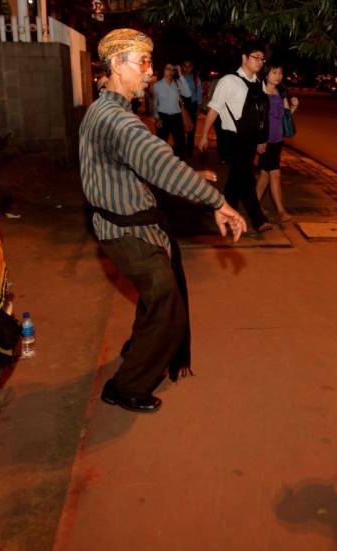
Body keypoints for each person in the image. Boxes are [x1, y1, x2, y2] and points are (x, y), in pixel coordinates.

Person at [80, 29, 246, 414]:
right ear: (117, 66)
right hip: (128, 233)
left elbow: (147, 162)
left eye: (150, 62)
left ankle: (138, 350)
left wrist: (187, 174)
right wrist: (217, 202)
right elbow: (155, 160)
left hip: (122, 226)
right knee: (169, 311)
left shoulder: (104, 109)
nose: (150, 73)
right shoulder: (119, 122)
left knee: (156, 298)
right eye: (143, 63)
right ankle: (126, 387)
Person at [199, 41, 272, 236]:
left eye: (262, 59)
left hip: (250, 138)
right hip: (232, 138)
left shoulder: (259, 83)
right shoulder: (229, 81)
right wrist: (204, 135)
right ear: (244, 58)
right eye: (255, 57)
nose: (259, 62)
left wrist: (262, 139)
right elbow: (214, 108)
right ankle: (258, 219)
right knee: (246, 177)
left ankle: (223, 210)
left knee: (235, 180)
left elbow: (262, 114)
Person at [255, 60, 299, 223]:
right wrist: (259, 140)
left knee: (265, 175)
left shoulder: (281, 93)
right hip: (264, 141)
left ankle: (254, 204)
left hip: (277, 141)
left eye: (280, 73)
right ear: (266, 74)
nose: (278, 76)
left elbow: (286, 117)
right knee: (275, 175)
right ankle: (281, 211)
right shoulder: (259, 93)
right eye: (274, 72)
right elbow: (256, 120)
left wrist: (293, 107)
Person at [152, 62, 191, 159]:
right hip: (163, 117)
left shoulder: (177, 84)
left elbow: (188, 94)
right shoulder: (157, 86)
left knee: (180, 143)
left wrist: (180, 74)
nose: (171, 72)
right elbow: (154, 104)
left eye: (173, 69)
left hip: (176, 117)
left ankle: (179, 165)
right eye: (168, 69)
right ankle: (160, 165)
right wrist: (157, 118)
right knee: (161, 144)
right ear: (163, 70)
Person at [178, 59, 203, 158]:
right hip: (181, 106)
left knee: (191, 130)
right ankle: (181, 149)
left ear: (192, 68)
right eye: (185, 66)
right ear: (182, 67)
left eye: (189, 66)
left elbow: (199, 93)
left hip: (192, 105)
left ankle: (189, 150)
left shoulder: (196, 79)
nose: (187, 68)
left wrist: (199, 107)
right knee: (181, 129)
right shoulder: (179, 78)